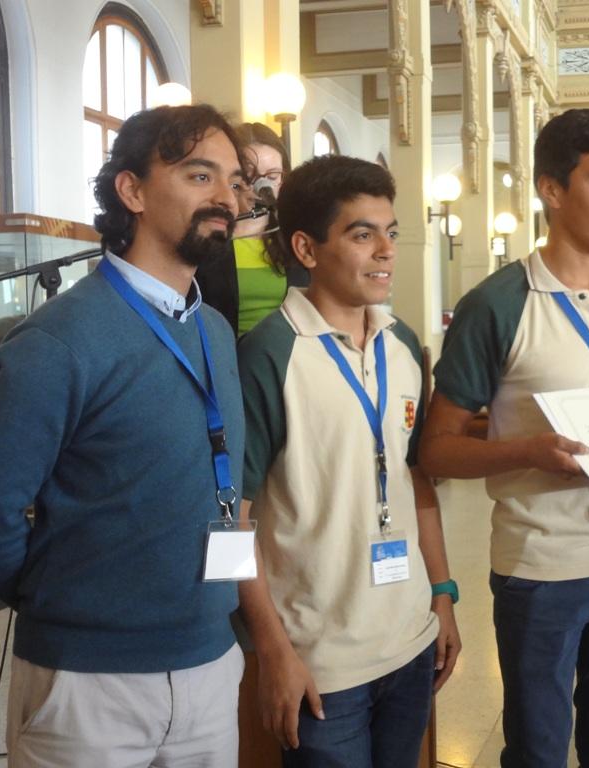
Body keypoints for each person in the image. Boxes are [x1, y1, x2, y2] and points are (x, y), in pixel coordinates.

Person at [0, 104, 250, 767]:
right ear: (132, 191)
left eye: (234, 181)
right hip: (88, 684)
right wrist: (72, 603)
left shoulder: (215, 333)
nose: (226, 197)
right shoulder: (60, 339)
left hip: (210, 661)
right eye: (200, 175)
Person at [419, 108, 589, 767]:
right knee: (536, 751)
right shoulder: (498, 304)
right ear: (552, 189)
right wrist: (529, 451)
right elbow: (437, 448)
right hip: (545, 566)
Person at [236, 154, 461, 767]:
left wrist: (441, 594)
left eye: (389, 232)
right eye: (362, 235)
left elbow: (416, 479)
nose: (386, 250)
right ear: (306, 249)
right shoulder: (268, 355)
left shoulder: (404, 343)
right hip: (320, 658)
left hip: (410, 639)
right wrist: (272, 649)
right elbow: (235, 520)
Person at [197, 122, 308, 336]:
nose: (261, 185)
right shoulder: (208, 234)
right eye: (250, 176)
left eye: (273, 176)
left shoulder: (294, 235)